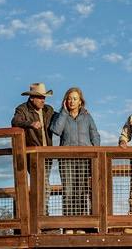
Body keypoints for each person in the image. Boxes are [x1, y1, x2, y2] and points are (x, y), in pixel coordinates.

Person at [49, 86, 99, 217]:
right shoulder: (61, 116)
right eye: (69, 98)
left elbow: (95, 135)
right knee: (68, 190)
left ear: (80, 102)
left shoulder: (87, 117)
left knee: (82, 189)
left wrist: (96, 152)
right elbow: (56, 130)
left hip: (85, 158)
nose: (72, 101)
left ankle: (82, 223)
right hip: (66, 159)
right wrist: (64, 113)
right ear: (65, 101)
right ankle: (69, 224)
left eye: (75, 99)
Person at [11, 82, 55, 147]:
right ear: (31, 98)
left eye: (44, 97)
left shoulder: (48, 109)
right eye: (40, 97)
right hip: (33, 153)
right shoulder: (22, 109)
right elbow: (15, 121)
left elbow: (59, 118)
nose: (43, 100)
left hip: (48, 152)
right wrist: (31, 124)